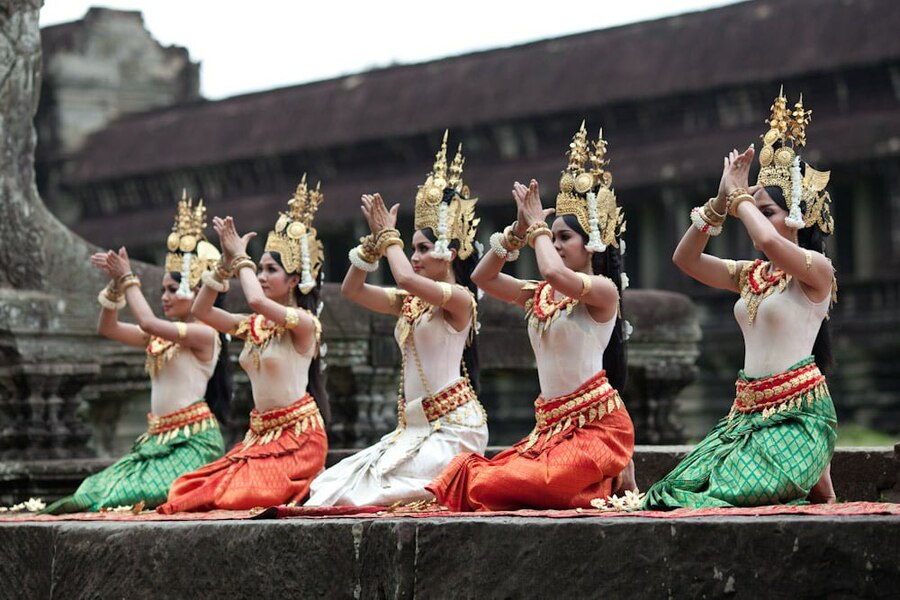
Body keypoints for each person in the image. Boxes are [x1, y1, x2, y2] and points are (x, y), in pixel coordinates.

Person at [642, 90, 838, 509]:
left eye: (768, 208)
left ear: (796, 214)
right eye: (757, 208)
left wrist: (741, 195)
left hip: (798, 417)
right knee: (671, 493)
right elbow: (686, 258)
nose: (756, 216)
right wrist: (719, 201)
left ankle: (815, 476)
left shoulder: (816, 271)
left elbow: (766, 237)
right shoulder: (752, 275)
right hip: (744, 419)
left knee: (722, 497)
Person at [427, 123, 635, 510]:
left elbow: (556, 272)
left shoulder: (603, 291)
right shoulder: (538, 295)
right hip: (551, 429)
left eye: (564, 238)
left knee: (546, 485)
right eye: (553, 238)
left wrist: (539, 226)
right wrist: (517, 232)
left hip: (598, 428)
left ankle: (598, 479)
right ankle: (595, 484)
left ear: (591, 242)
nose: (555, 245)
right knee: (505, 480)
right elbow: (482, 277)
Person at [306, 132, 487, 507]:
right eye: (412, 247)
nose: (415, 255)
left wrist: (390, 238)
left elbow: (405, 276)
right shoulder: (411, 302)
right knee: (329, 486)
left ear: (450, 251)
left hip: (453, 430)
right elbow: (352, 290)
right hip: (413, 429)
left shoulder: (459, 300)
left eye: (422, 248)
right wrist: (372, 246)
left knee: (367, 496)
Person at [43, 194, 226, 514]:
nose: (166, 297)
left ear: (197, 292)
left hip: (192, 445)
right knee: (91, 492)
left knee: (124, 498)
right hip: (155, 441)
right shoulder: (162, 336)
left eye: (172, 289)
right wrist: (116, 287)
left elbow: (146, 320)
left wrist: (128, 278)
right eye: (163, 291)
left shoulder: (204, 334)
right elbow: (109, 327)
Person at [158, 176, 329, 512]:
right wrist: (224, 265)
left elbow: (254, 300)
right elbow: (201, 309)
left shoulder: (305, 325)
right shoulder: (252, 326)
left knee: (237, 498)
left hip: (299, 440)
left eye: (271, 269)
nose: (262, 276)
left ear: (294, 279)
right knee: (188, 490)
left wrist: (242, 258)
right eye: (260, 268)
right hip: (259, 438)